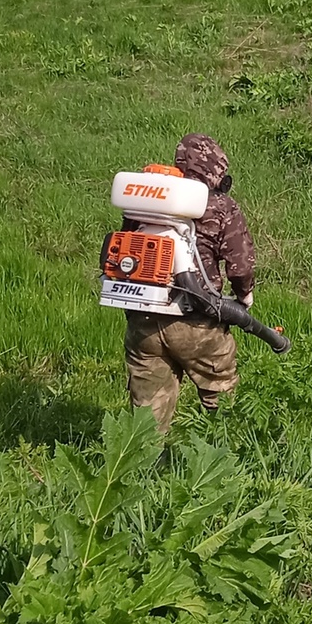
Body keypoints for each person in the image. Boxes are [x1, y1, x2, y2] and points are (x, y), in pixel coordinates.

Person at [123, 133, 256, 435]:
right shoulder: (221, 206)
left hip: (144, 321)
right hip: (198, 323)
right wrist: (244, 297)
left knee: (146, 414)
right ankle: (225, 462)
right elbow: (241, 264)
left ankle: (142, 472)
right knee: (222, 398)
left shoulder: (146, 199)